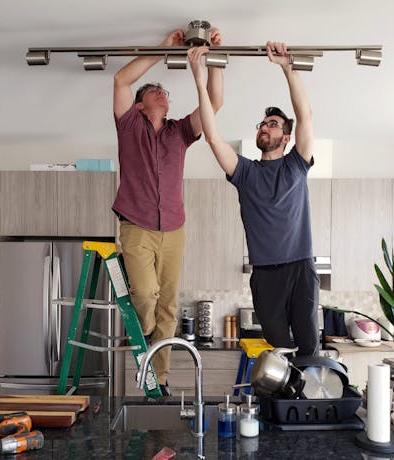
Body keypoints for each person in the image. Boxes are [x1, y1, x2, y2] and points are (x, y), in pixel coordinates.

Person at [188, 41, 319, 356]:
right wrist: (198, 78)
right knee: (279, 350)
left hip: (301, 267)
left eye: (272, 125)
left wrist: (288, 69)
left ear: (285, 138)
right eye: (262, 124)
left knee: (308, 348)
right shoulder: (245, 172)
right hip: (265, 273)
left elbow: (306, 116)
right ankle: (283, 405)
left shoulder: (296, 164)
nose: (264, 127)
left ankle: (305, 406)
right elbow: (213, 136)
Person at [112, 28, 223, 395]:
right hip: (137, 226)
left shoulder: (179, 132)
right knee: (145, 295)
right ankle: (143, 332)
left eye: (165, 92)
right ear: (141, 105)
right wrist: (164, 49)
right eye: (154, 91)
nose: (163, 93)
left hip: (174, 228)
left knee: (169, 308)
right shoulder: (129, 124)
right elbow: (121, 78)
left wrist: (214, 59)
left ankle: (158, 378)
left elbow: (215, 105)